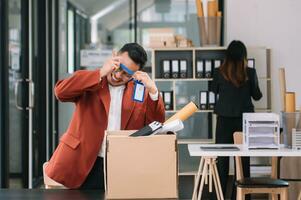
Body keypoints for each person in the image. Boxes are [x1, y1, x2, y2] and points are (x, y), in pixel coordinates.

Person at [45, 43, 165, 189]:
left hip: (122, 163)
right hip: (86, 160)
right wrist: (100, 73)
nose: (119, 75)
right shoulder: (91, 79)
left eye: (127, 74)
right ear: (114, 56)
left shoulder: (139, 90)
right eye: (119, 67)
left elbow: (155, 125)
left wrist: (153, 91)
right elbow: (61, 93)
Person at [211, 40, 262, 199]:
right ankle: (243, 196)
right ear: (244, 56)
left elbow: (213, 90)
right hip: (244, 121)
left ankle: (220, 196)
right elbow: (257, 96)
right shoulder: (250, 73)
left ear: (227, 56)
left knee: (222, 161)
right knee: (243, 160)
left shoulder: (218, 72)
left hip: (224, 120)